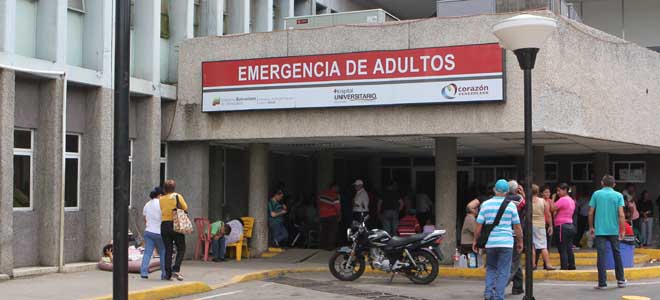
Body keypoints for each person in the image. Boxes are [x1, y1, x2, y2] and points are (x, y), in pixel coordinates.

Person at [473, 179, 523, 300]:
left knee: (491, 268)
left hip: (491, 243)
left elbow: (478, 225)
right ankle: (499, 296)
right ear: (507, 192)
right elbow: (517, 226)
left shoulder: (485, 204)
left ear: (495, 190)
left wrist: (475, 240)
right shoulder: (511, 205)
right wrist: (520, 241)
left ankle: (488, 294)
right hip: (506, 243)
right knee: (503, 271)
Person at [589, 175, 627, 289]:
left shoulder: (596, 194)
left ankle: (602, 283)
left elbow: (590, 212)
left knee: (601, 256)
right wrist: (623, 229)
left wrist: (591, 227)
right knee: (617, 254)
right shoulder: (618, 195)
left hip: (600, 230)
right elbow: (621, 214)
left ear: (602, 183)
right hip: (614, 230)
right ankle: (621, 280)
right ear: (614, 184)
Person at [159, 179, 188, 281]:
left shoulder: (161, 199)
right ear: (174, 188)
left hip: (164, 225)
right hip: (176, 223)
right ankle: (176, 269)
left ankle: (168, 274)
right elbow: (185, 207)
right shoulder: (177, 196)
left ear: (164, 189)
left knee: (168, 249)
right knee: (181, 248)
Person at [141, 187, 166, 279]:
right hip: (160, 233)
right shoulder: (162, 204)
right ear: (159, 195)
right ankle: (164, 274)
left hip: (148, 232)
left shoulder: (147, 204)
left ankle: (144, 273)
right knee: (163, 252)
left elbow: (145, 218)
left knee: (147, 252)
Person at [505, 180, 525, 295]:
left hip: (506, 232)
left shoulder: (504, 199)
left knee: (516, 261)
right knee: (515, 261)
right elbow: (527, 206)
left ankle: (518, 287)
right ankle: (501, 283)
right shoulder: (518, 199)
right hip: (515, 233)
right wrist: (522, 193)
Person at [531, 184, 555, 271]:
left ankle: (533, 264)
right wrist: (551, 226)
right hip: (540, 225)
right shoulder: (543, 201)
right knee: (543, 246)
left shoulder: (527, 201)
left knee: (532, 246)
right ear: (538, 192)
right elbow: (548, 215)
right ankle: (548, 264)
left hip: (530, 225)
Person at [552, 183, 576, 270]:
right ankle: (572, 265)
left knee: (562, 248)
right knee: (569, 247)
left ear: (565, 190)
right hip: (570, 224)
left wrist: (553, 198)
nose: (558, 192)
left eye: (559, 190)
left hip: (562, 226)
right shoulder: (571, 200)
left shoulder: (563, 199)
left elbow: (552, 208)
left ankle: (564, 266)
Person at [318, 183, 341, 250]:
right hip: (332, 215)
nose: (338, 189)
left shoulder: (322, 194)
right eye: (337, 187)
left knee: (324, 231)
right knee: (332, 231)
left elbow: (319, 204)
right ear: (333, 187)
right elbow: (337, 206)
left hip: (322, 215)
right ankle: (330, 246)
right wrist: (339, 214)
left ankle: (322, 246)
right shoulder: (334, 195)